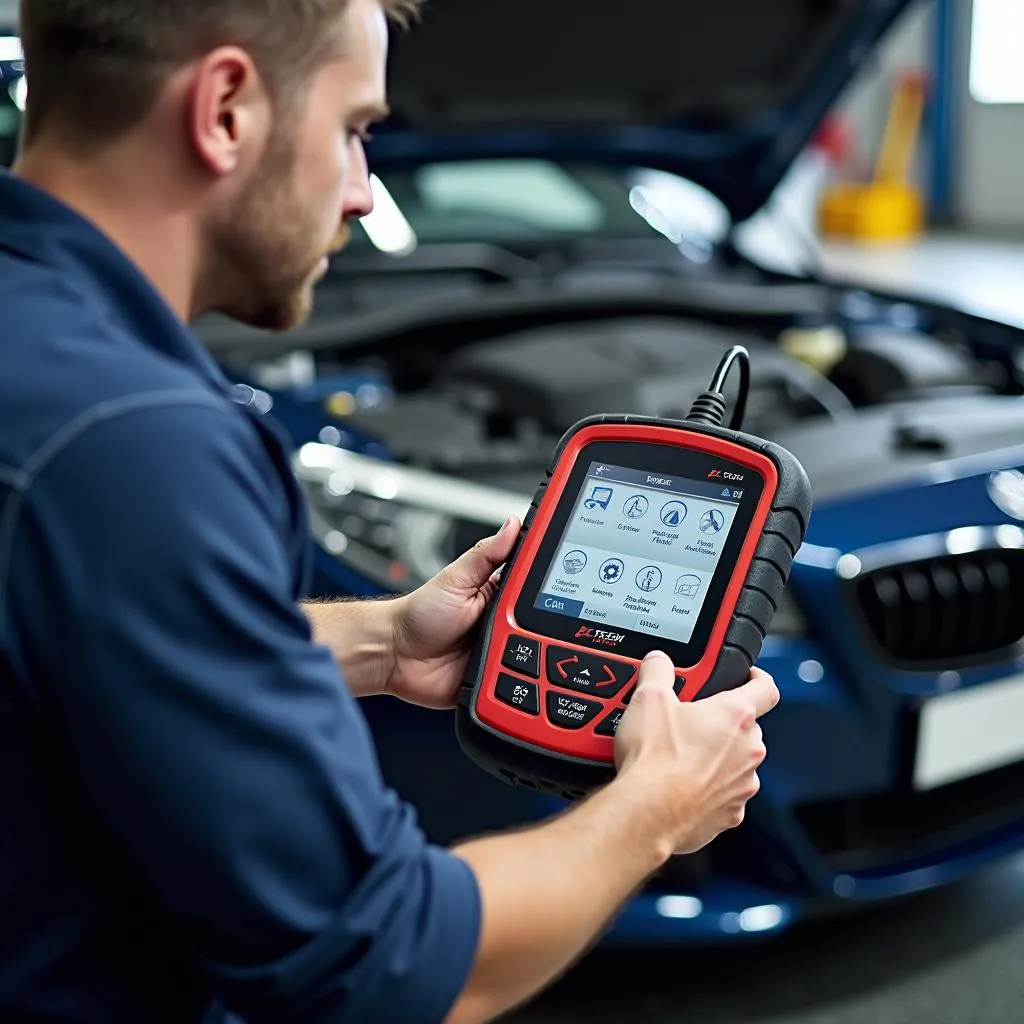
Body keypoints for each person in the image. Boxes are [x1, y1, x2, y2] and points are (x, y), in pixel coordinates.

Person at [0, 1, 780, 1021]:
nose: (366, 192)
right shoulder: (134, 440)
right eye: (355, 130)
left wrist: (377, 639)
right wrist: (654, 807)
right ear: (226, 107)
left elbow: (74, 649)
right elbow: (383, 962)